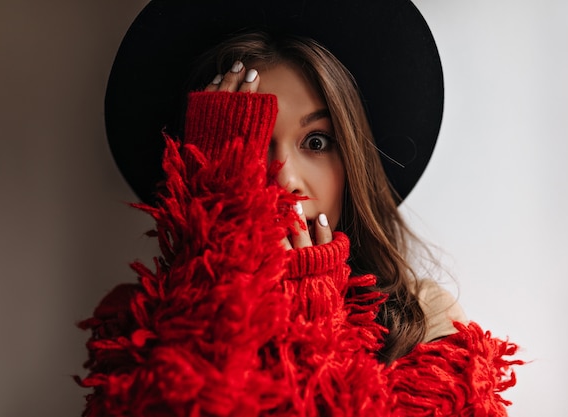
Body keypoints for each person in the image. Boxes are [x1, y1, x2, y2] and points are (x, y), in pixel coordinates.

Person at [78, 2, 522, 416]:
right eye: (247, 145)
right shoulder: (135, 327)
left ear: (351, 159)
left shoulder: (425, 320)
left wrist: (313, 339)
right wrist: (219, 275)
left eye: (316, 142)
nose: (284, 179)